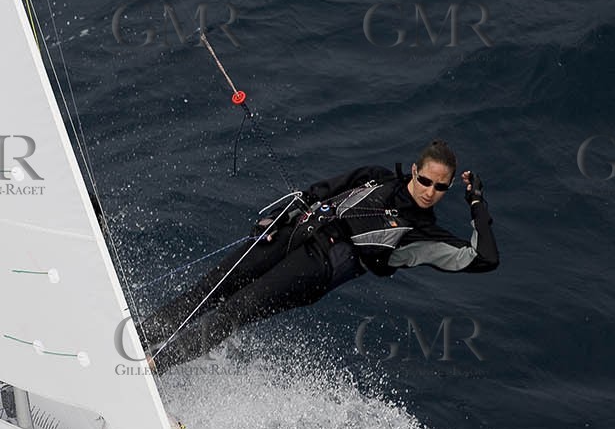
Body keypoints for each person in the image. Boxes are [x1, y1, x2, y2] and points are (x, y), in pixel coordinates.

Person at [139, 139, 497, 369]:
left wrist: (477, 203)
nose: (430, 192)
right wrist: (278, 219)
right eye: (426, 181)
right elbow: (318, 192)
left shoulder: (423, 233)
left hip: (317, 269)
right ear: (415, 171)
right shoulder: (375, 177)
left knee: (237, 309)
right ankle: (138, 337)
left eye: (441, 187)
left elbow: (483, 258)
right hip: (293, 233)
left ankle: (155, 366)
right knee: (214, 286)